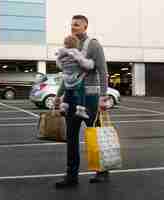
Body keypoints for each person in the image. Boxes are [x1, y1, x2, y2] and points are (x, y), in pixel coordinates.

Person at [54, 15, 109, 188]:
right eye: (71, 25)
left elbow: (103, 71)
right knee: (71, 137)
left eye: (76, 25)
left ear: (85, 26)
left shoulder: (93, 44)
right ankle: (71, 175)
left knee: (95, 135)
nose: (73, 27)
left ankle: (102, 171)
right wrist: (58, 94)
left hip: (90, 98)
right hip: (71, 97)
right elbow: (69, 75)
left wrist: (103, 97)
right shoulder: (70, 47)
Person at [56, 34, 95, 119]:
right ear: (76, 44)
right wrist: (91, 63)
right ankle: (80, 110)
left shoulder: (61, 55)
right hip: (76, 77)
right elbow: (84, 63)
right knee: (81, 91)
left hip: (66, 78)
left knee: (68, 92)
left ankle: (63, 107)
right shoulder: (75, 52)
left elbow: (59, 65)